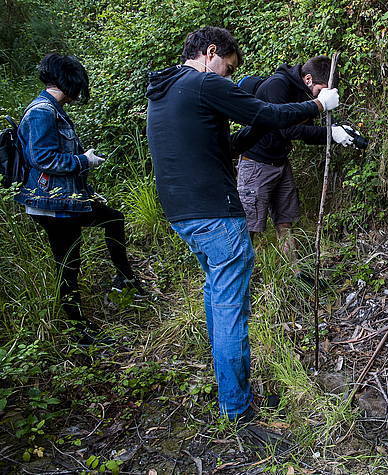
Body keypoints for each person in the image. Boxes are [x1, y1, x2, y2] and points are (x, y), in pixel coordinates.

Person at [145, 26, 339, 422]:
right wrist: (319, 108)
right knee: (232, 309)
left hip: (184, 215)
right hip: (215, 213)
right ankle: (237, 410)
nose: (230, 78)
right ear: (210, 52)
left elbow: (230, 145)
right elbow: (265, 112)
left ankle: (232, 396)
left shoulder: (166, 92)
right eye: (229, 68)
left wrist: (264, 126)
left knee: (219, 300)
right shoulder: (200, 83)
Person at [15, 53, 143, 342]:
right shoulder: (42, 112)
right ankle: (79, 331)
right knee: (69, 263)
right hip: (51, 203)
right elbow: (43, 158)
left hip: (68, 198)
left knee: (113, 218)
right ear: (69, 81)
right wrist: (84, 161)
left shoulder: (52, 108)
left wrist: (85, 184)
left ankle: (126, 279)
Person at [237, 56, 361, 261]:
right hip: (256, 165)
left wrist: (338, 130)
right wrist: (329, 133)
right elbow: (288, 130)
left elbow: (306, 132)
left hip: (280, 162)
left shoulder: (303, 92)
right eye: (321, 90)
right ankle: (240, 278)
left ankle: (292, 272)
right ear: (309, 79)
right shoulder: (277, 86)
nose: (322, 97)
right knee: (249, 226)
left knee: (285, 222)